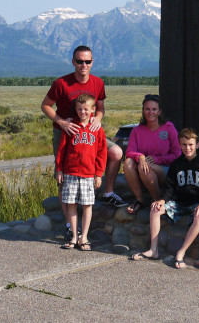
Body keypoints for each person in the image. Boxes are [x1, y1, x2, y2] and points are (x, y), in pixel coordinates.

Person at [41, 45, 127, 240]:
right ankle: (69, 224)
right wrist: (61, 122)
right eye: (79, 61)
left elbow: (101, 107)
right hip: (66, 134)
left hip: (91, 133)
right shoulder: (61, 83)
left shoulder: (98, 83)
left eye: (87, 61)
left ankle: (108, 192)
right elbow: (45, 105)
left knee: (116, 153)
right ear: (73, 62)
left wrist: (98, 118)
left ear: (92, 62)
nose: (83, 65)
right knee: (63, 179)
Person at [130, 127, 199, 268]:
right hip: (179, 203)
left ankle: (181, 253)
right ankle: (153, 250)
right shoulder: (176, 164)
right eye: (184, 145)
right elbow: (170, 187)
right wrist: (162, 200)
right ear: (180, 145)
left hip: (197, 203)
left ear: (197, 145)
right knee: (155, 209)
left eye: (191, 145)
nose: (187, 148)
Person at [54, 94, 106, 251]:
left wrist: (98, 174)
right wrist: (59, 170)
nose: (82, 112)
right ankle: (74, 237)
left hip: (88, 174)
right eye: (79, 109)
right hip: (70, 172)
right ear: (75, 110)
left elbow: (102, 153)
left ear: (93, 110)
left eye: (86, 109)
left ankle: (84, 237)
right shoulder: (70, 127)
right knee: (71, 204)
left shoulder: (97, 129)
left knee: (87, 205)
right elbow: (61, 151)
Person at [123, 94, 181, 214]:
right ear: (143, 111)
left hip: (166, 171)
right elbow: (129, 152)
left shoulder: (169, 128)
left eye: (154, 109)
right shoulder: (136, 131)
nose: (151, 112)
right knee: (128, 162)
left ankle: (157, 201)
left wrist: (157, 159)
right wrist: (141, 157)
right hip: (144, 169)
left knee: (145, 167)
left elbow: (177, 155)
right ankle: (139, 200)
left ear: (159, 111)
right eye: (147, 109)